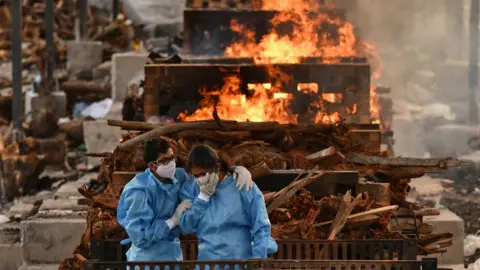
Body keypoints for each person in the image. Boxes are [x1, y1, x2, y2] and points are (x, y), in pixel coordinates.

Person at [117, 138, 254, 263]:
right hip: (146, 261)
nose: (171, 164)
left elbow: (205, 174)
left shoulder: (178, 176)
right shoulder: (138, 191)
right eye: (165, 161)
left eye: (172, 158)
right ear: (152, 166)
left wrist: (235, 170)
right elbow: (141, 237)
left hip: (173, 255)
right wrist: (172, 221)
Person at [179, 145, 278, 260]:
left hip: (240, 261)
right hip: (208, 263)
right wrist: (202, 198)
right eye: (195, 175)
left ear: (216, 167)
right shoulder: (192, 188)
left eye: (203, 173)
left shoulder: (242, 185)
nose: (200, 179)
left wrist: (258, 260)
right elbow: (186, 226)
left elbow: (261, 226)